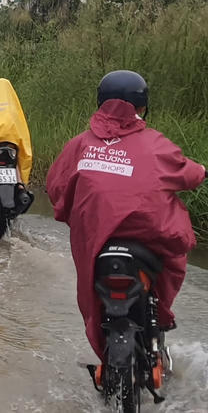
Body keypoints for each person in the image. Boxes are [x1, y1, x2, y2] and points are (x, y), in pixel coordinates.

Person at [45, 70, 205, 364]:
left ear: (100, 101)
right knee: (174, 254)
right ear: (142, 106)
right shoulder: (157, 144)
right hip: (147, 242)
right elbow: (190, 175)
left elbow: (55, 185)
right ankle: (162, 317)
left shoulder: (80, 144)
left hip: (97, 243)